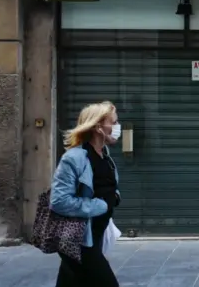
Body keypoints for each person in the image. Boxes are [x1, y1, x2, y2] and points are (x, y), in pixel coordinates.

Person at [50, 101, 122, 287]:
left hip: (94, 235)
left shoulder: (105, 155)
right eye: (113, 123)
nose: (117, 127)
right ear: (98, 127)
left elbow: (104, 187)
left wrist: (114, 197)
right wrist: (102, 205)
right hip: (78, 240)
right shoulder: (74, 158)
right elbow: (59, 201)